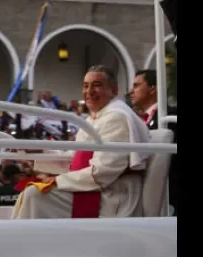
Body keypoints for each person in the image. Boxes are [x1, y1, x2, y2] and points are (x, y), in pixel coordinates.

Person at [11, 65, 150, 219]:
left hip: (113, 196)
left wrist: (57, 180)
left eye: (97, 85)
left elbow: (102, 173)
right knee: (32, 190)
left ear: (114, 90)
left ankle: (30, 242)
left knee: (35, 194)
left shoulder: (116, 118)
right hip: (97, 188)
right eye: (85, 86)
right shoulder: (94, 118)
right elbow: (74, 158)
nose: (89, 91)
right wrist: (39, 153)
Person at [129, 69, 178, 216]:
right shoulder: (140, 119)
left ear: (152, 89)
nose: (131, 91)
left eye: (136, 86)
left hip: (168, 195)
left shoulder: (169, 118)